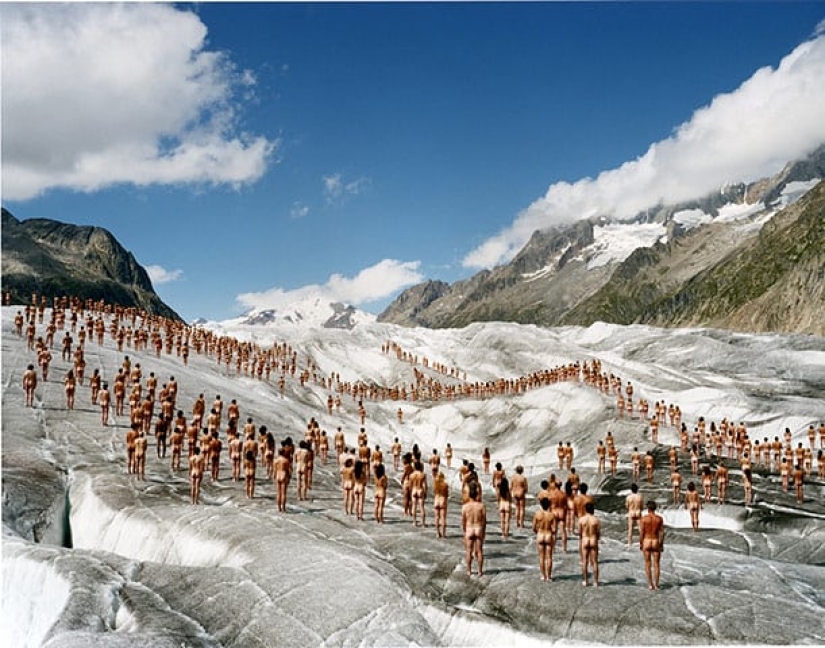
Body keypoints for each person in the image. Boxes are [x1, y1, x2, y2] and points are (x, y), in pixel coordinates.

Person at [461, 481, 487, 577]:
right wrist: (483, 532)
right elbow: (484, 520)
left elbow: (463, 520)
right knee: (479, 551)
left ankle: (469, 570)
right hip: (478, 528)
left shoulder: (465, 507)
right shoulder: (481, 506)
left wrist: (464, 530)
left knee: (469, 551)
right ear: (477, 494)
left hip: (469, 528)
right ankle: (480, 571)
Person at [639, 500, 665, 590]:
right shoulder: (659, 519)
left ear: (648, 508)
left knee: (647, 564)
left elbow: (642, 532)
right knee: (656, 564)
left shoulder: (644, 519)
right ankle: (657, 585)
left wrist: (640, 543)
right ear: (655, 508)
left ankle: (650, 585)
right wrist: (661, 544)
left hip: (646, 541)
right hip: (655, 541)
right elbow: (662, 533)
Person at [532, 497, 556, 582]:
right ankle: (549, 576)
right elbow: (554, 529)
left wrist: (537, 532)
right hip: (548, 535)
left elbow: (534, 527)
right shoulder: (551, 515)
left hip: (540, 535)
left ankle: (543, 576)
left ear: (541, 504)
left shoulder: (537, 514)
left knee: (541, 557)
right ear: (549, 505)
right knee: (549, 558)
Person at [578, 502, 600, 587]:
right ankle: (595, 582)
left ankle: (585, 581)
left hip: (585, 539)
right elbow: (598, 533)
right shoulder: (596, 520)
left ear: (585, 509)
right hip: (593, 540)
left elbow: (580, 532)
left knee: (584, 562)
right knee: (594, 562)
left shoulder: (581, 520)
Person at [409, 460, 428, 527]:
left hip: (414, 489)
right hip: (420, 489)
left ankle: (414, 522)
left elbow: (410, 485)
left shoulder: (411, 475)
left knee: (414, 506)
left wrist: (411, 492)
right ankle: (423, 523)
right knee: (422, 507)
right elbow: (425, 485)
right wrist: (425, 492)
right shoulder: (423, 474)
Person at [273, 447, 291, 512]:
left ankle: (279, 508)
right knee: (283, 493)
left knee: (278, 493)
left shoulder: (275, 460)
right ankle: (283, 508)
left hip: (278, 475)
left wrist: (274, 476)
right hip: (283, 474)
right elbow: (288, 470)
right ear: (284, 453)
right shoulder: (286, 460)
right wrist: (289, 477)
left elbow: (274, 470)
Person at [626, 483, 643, 547]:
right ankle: (642, 543)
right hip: (638, 512)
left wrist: (630, 509)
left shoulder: (628, 497)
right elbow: (641, 506)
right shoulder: (639, 497)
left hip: (631, 512)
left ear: (631, 490)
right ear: (637, 489)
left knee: (630, 529)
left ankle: (629, 543)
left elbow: (627, 506)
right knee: (640, 529)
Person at [433, 470, 449, 538]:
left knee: (437, 517)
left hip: (436, 500)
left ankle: (437, 533)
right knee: (443, 518)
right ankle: (444, 534)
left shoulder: (435, 484)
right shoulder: (445, 485)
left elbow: (435, 492)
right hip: (442, 500)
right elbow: (446, 494)